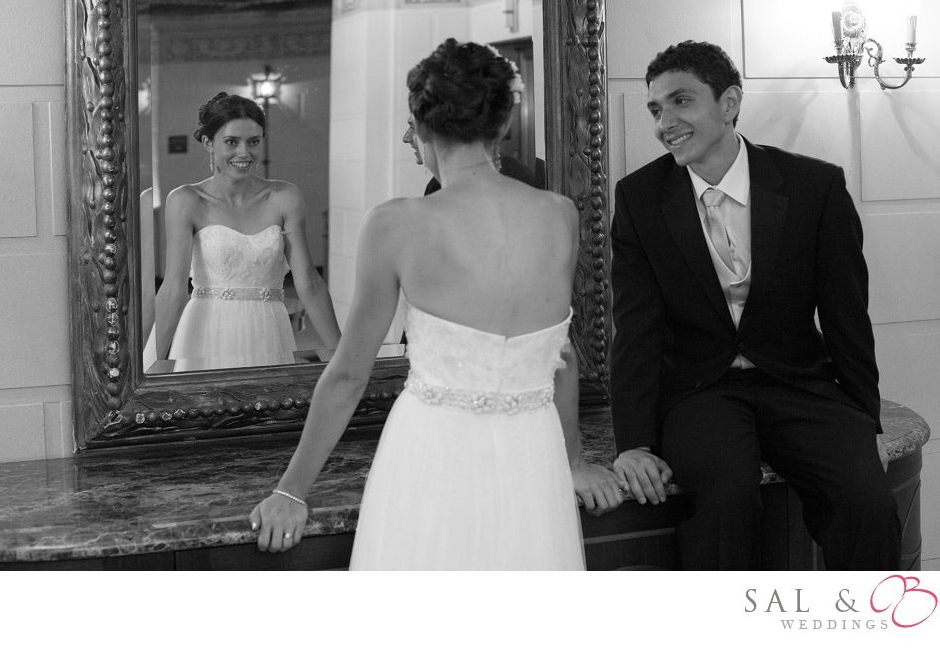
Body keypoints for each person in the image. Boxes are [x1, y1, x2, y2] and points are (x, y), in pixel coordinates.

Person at [250, 38, 623, 569]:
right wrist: (573, 461)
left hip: (434, 452)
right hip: (534, 454)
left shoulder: (396, 223)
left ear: (423, 127)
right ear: (502, 124)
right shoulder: (559, 213)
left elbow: (349, 375)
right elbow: (561, 356)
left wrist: (291, 490)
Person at [609, 40, 900, 570]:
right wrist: (634, 443)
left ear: (729, 103)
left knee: (867, 503)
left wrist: (866, 420)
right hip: (700, 391)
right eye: (655, 109)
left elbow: (847, 315)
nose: (664, 123)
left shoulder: (815, 186)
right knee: (726, 501)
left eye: (681, 101)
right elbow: (635, 329)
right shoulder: (639, 198)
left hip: (799, 381)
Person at [152, 92, 341, 369]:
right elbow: (172, 290)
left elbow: (309, 283)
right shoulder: (185, 200)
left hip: (268, 330)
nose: (244, 152)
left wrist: (342, 359)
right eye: (231, 142)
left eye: (253, 141)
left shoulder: (285, 197)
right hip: (205, 332)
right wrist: (151, 365)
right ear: (208, 143)